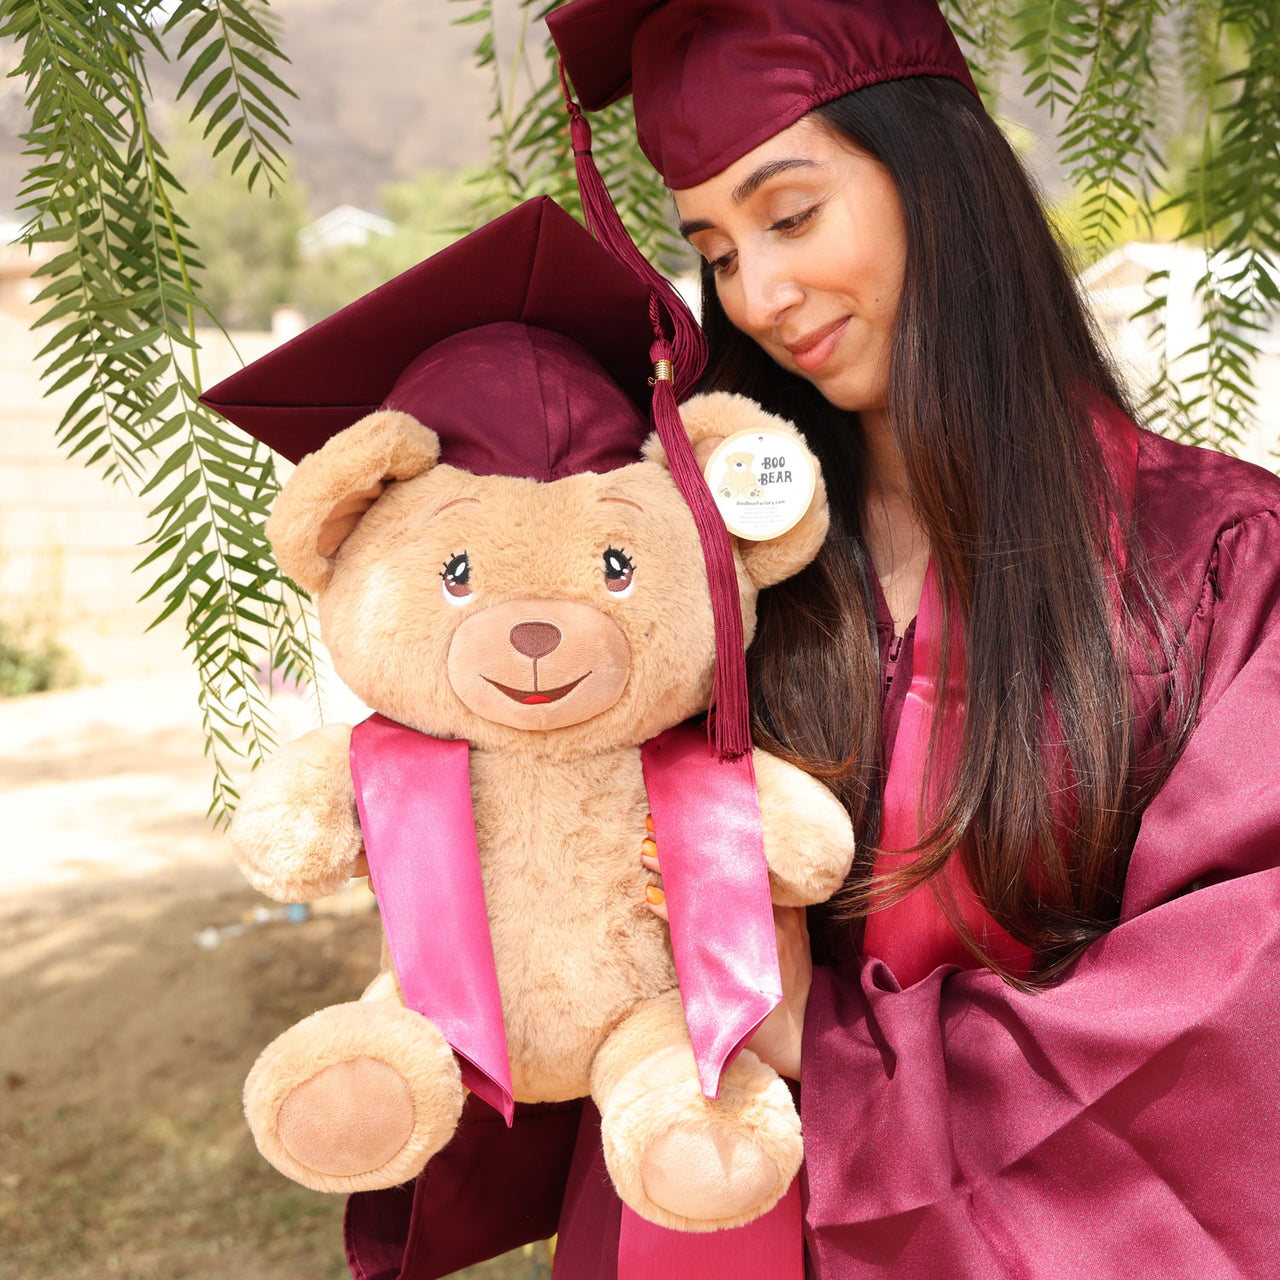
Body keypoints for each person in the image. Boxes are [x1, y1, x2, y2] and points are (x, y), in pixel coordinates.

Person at [344, 1, 1280, 1276]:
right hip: (706, 1203)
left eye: (789, 215)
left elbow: (1239, 984)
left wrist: (824, 1036)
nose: (762, 295)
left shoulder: (1213, 554)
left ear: (939, 175)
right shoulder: (707, 565)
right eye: (716, 252)